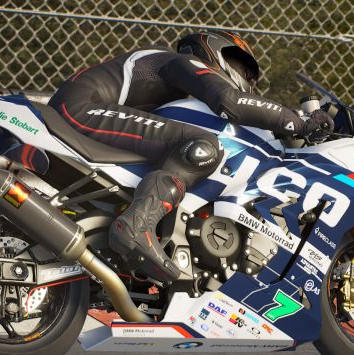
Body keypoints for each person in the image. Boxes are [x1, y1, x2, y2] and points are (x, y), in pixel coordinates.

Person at [48, 31, 333, 284]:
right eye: (242, 68)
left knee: (184, 149)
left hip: (81, 109)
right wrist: (300, 122)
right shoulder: (180, 62)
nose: (246, 79)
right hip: (81, 108)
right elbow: (230, 102)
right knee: (202, 146)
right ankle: (137, 225)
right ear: (215, 52)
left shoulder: (168, 80)